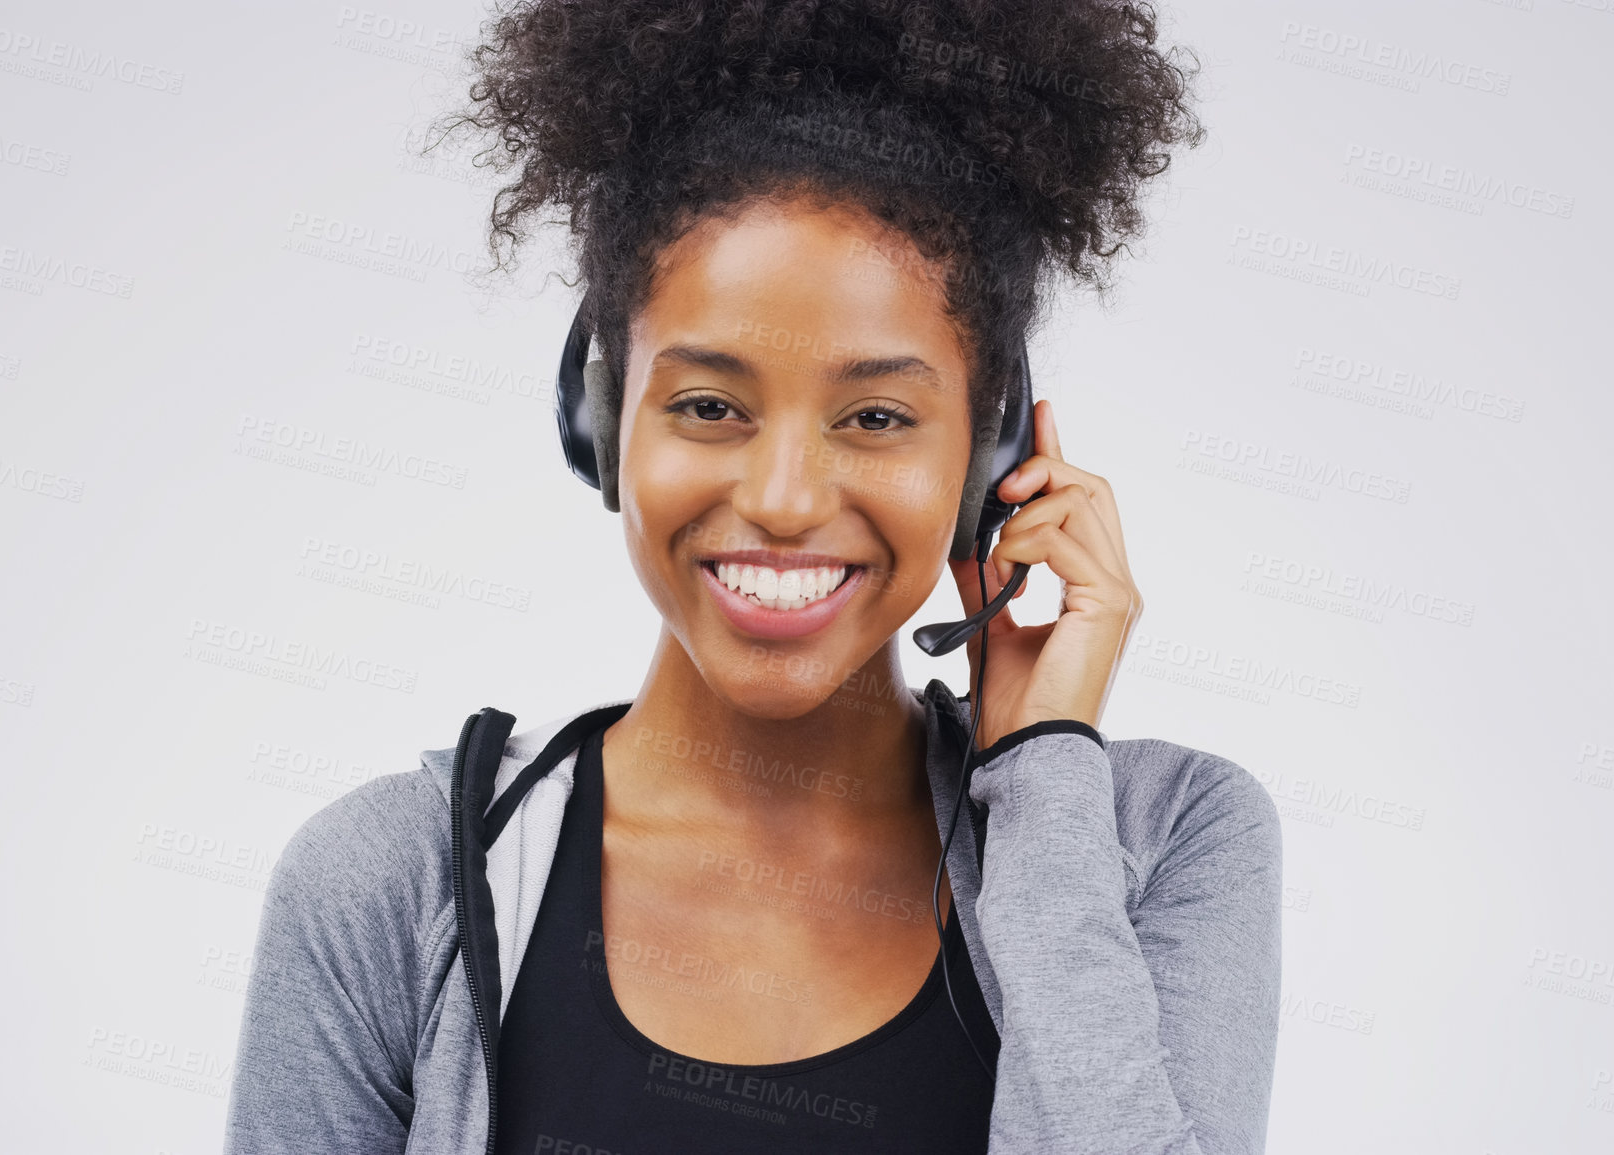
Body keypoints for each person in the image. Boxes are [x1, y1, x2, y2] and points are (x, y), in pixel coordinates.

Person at [223, 2, 1283, 1152]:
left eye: (876, 415)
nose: (783, 498)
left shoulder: (1163, 842)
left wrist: (1041, 784)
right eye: (710, 406)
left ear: (991, 463)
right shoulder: (393, 885)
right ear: (599, 425)